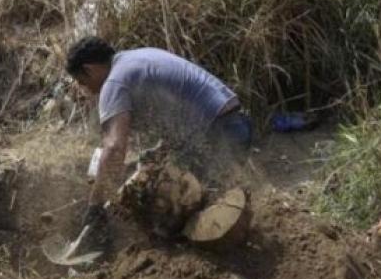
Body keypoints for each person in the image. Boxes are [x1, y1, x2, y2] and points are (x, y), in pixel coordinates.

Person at [65, 37, 252, 239]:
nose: (87, 89)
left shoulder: (114, 82)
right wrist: (159, 151)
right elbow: (180, 109)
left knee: (164, 210)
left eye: (82, 82)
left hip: (216, 135)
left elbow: (114, 147)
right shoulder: (138, 57)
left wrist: (95, 206)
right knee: (199, 194)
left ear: (89, 70)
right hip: (236, 125)